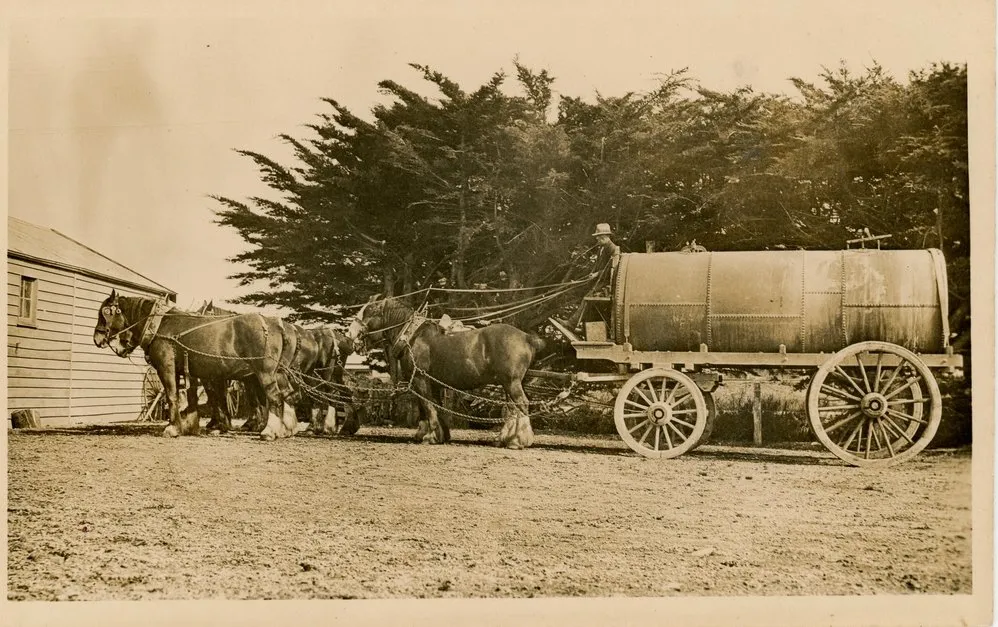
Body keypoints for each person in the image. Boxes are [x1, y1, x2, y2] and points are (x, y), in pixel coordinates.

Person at [555, 223, 621, 333]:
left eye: (598, 237)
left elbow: (612, 269)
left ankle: (571, 324)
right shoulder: (602, 248)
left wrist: (597, 274)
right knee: (584, 295)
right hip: (598, 281)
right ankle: (586, 327)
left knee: (587, 298)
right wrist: (591, 274)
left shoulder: (613, 249)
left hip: (605, 283)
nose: (597, 239)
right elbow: (598, 266)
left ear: (604, 236)